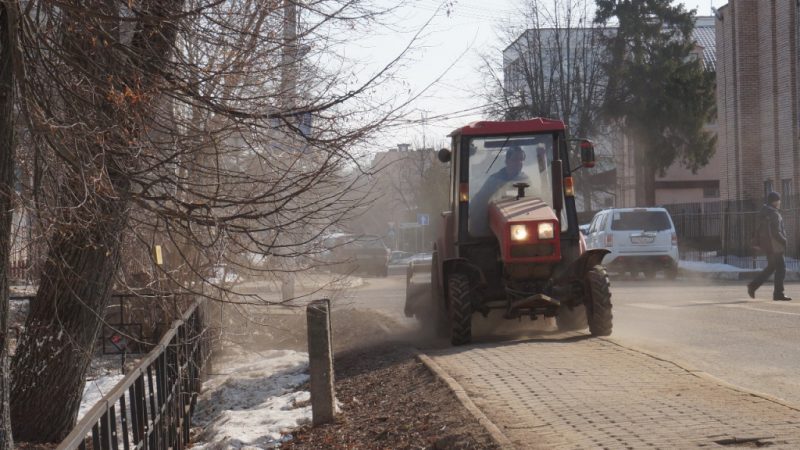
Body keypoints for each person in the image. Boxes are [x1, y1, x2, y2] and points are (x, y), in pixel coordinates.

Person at [469, 146, 531, 235]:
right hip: (496, 229)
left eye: (521, 160)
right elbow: (479, 202)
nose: (518, 163)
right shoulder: (494, 181)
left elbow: (536, 197)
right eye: (515, 159)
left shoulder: (526, 180)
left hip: (522, 225)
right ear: (507, 161)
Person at [748, 191, 791, 301]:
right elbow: (776, 232)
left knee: (771, 268)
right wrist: (784, 240)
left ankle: (753, 286)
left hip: (768, 246)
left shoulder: (765, 212)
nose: (779, 202)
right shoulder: (774, 214)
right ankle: (778, 293)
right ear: (774, 201)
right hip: (775, 246)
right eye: (778, 200)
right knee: (781, 269)